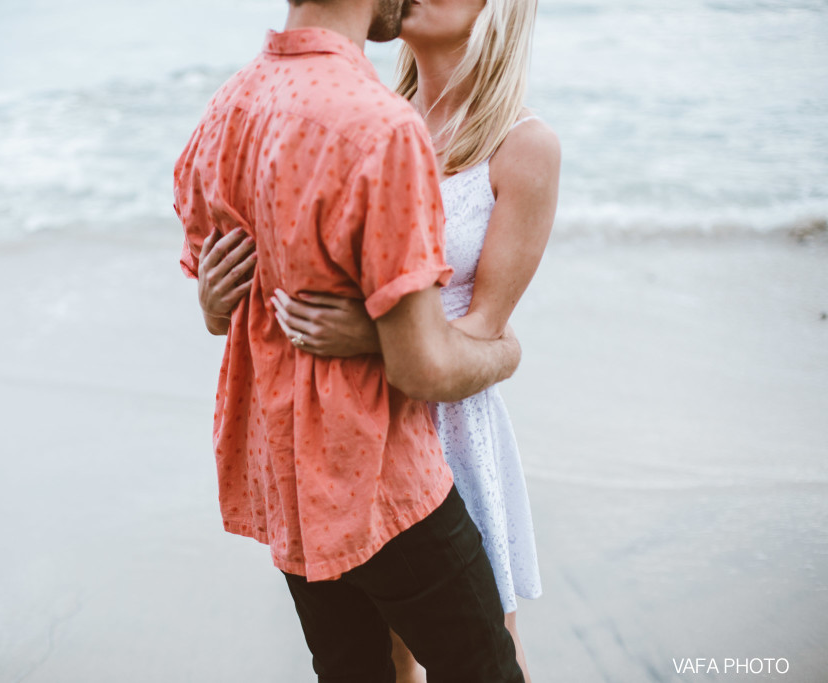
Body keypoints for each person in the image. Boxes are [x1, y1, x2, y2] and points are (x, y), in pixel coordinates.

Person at [195, 1, 560, 681]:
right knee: (389, 667)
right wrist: (218, 301)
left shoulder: (524, 145)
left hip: (448, 418)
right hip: (349, 422)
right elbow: (279, 281)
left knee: (487, 657)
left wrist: (385, 337)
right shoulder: (365, 115)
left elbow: (481, 331)